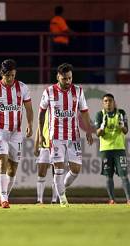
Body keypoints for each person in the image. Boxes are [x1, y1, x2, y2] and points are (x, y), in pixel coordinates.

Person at [0, 59, 33, 209]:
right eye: (8, 75)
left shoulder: (22, 88)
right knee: (1, 161)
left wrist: (30, 124)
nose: (10, 78)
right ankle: (4, 199)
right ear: (1, 74)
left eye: (13, 75)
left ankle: (4, 196)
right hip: (0, 131)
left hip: (16, 132)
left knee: (13, 168)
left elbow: (28, 108)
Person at [39, 63, 94, 207]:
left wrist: (88, 130)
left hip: (73, 136)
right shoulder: (49, 92)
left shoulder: (78, 91)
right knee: (59, 168)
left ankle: (59, 187)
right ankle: (63, 199)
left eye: (70, 78)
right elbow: (42, 113)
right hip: (55, 137)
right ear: (58, 77)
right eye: (64, 79)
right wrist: (40, 134)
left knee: (76, 169)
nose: (68, 81)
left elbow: (84, 111)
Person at [94, 94, 130, 204]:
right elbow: (98, 133)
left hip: (119, 149)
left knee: (124, 174)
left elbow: (125, 130)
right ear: (103, 103)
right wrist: (102, 127)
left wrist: (122, 126)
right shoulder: (100, 114)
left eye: (110, 100)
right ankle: (112, 200)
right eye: (105, 101)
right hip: (106, 150)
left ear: (114, 102)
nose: (108, 103)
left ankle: (129, 199)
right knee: (108, 176)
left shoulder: (121, 113)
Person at [34, 111, 58, 204]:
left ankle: (54, 200)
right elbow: (38, 129)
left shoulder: (59, 109)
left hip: (57, 146)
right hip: (44, 146)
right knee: (41, 173)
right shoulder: (44, 111)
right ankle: (39, 200)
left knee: (56, 174)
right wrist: (36, 145)